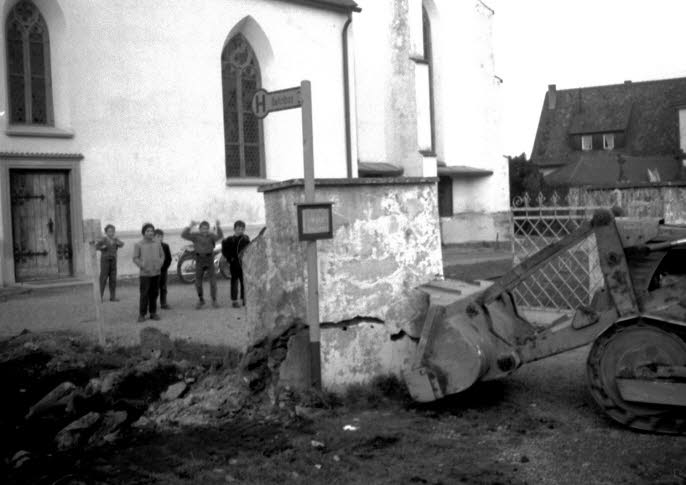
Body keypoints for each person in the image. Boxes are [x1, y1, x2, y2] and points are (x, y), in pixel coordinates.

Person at [181, 219, 223, 309]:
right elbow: (183, 235)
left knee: (213, 282)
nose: (205, 230)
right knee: (198, 282)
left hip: (209, 260)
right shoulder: (195, 236)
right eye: (203, 229)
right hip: (199, 260)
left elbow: (220, 236)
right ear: (199, 229)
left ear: (208, 229)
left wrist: (218, 226)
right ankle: (201, 300)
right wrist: (190, 226)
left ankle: (214, 300)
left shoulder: (211, 236)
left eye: (206, 228)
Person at [133, 223, 164, 322]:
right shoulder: (139, 244)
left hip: (156, 273)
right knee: (144, 294)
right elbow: (135, 258)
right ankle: (142, 314)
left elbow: (162, 256)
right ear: (143, 233)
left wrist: (159, 264)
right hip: (145, 274)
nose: (150, 233)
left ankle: (153, 313)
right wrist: (142, 265)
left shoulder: (157, 244)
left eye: (151, 231)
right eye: (147, 231)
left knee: (154, 293)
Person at [221, 220, 250, 308]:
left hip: (243, 264)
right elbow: (224, 250)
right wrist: (230, 259)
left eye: (242, 229)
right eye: (238, 229)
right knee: (234, 282)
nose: (240, 231)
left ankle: (244, 299)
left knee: (244, 282)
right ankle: (234, 300)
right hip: (234, 265)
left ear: (244, 230)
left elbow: (249, 249)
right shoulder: (229, 240)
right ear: (234, 229)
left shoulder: (246, 239)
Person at [95, 224, 124, 302]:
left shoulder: (115, 239)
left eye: (112, 231)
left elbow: (122, 244)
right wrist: (102, 247)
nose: (111, 233)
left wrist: (118, 242)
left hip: (113, 260)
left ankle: (112, 297)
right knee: (103, 278)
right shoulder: (103, 239)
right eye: (109, 231)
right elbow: (96, 247)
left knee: (113, 279)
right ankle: (99, 297)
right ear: (106, 232)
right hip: (105, 261)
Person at [154, 229, 172, 309]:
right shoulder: (151, 246)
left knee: (163, 287)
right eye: (158, 237)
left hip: (163, 271)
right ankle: (152, 303)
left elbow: (169, 258)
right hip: (154, 271)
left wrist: (165, 267)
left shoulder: (165, 246)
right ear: (154, 237)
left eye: (161, 237)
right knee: (154, 288)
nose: (160, 238)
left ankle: (163, 303)